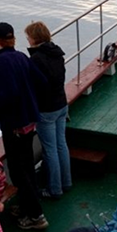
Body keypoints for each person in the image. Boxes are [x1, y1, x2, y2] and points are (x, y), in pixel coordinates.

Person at [0, 21, 49, 230]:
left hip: (15, 126)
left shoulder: (2, 62)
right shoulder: (21, 56)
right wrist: (30, 100)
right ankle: (26, 206)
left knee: (20, 173)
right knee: (27, 165)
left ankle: (36, 216)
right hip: (30, 122)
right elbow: (42, 82)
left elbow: (8, 95)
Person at [25, 20, 72, 200]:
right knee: (61, 144)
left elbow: (34, 86)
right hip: (61, 104)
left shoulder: (36, 59)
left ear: (34, 38)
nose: (27, 40)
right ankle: (66, 182)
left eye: (28, 36)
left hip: (47, 110)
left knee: (50, 149)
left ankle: (54, 189)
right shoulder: (57, 53)